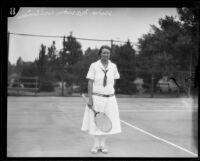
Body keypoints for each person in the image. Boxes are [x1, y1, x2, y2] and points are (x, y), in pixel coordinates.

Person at [81, 45, 121, 154]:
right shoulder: (94, 66)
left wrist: (109, 91)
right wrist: (90, 98)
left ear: (110, 54)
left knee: (107, 122)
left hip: (110, 99)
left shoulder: (113, 66)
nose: (106, 54)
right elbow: (90, 82)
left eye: (108, 53)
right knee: (95, 122)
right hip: (96, 98)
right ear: (100, 54)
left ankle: (103, 145)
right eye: (103, 52)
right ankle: (95, 145)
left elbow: (114, 81)